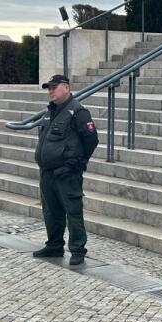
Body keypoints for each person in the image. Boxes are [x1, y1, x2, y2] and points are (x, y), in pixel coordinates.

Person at [32, 74, 99, 263]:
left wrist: (78, 163)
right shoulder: (50, 111)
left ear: (66, 88)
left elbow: (91, 139)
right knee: (51, 211)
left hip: (67, 173)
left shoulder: (78, 112)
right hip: (47, 173)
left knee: (73, 211)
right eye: (49, 88)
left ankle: (77, 249)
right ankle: (54, 245)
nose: (51, 91)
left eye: (54, 87)